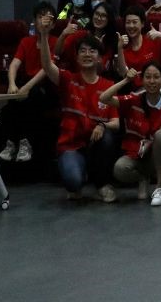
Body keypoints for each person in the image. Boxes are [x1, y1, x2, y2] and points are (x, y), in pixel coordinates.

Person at [36, 14, 119, 202]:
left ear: (99, 58)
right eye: (83, 51)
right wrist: (44, 34)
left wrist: (103, 125)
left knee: (107, 137)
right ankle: (79, 175)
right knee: (73, 183)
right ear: (77, 56)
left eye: (92, 51)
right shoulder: (68, 79)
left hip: (95, 145)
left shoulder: (108, 86)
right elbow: (47, 66)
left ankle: (102, 184)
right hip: (71, 145)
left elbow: (116, 122)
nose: (87, 54)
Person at [100, 63, 161, 206]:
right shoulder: (133, 100)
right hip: (135, 155)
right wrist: (126, 80)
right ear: (141, 80)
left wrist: (158, 142)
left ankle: (159, 188)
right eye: (147, 77)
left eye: (156, 77)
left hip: (157, 159)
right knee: (119, 169)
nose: (152, 81)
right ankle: (143, 179)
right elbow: (104, 98)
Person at [0, 2, 57, 165]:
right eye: (40, 17)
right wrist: (12, 84)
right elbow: (14, 65)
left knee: (33, 96)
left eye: (47, 17)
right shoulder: (26, 41)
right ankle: (10, 143)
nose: (43, 20)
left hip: (46, 85)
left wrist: (26, 88)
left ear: (53, 24)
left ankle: (26, 142)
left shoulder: (56, 42)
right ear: (35, 21)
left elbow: (47, 69)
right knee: (11, 102)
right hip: (26, 84)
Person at [117, 6, 161, 87]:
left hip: (157, 87)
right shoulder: (125, 48)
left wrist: (160, 35)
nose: (131, 26)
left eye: (134, 22)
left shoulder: (153, 39)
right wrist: (119, 48)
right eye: (128, 22)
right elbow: (123, 73)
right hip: (137, 90)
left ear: (142, 24)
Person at [55, 1, 118, 76]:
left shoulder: (110, 41)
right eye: (96, 14)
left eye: (103, 16)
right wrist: (63, 34)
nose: (98, 18)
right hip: (76, 78)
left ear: (109, 19)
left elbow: (99, 71)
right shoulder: (80, 34)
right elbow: (57, 52)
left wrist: (99, 49)